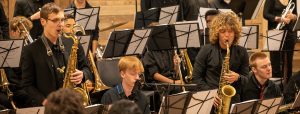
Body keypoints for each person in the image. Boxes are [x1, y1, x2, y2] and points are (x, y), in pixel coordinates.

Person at [21, 3, 91, 106]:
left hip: (72, 104)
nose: (60, 24)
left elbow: (87, 68)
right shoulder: (30, 50)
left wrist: (83, 75)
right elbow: (27, 85)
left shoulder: (72, 42)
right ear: (43, 21)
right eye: (55, 20)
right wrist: (45, 101)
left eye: (62, 20)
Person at [192, 12, 249, 104]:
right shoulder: (206, 50)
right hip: (210, 99)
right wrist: (209, 94)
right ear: (217, 32)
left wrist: (238, 77)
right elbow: (196, 77)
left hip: (232, 100)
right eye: (223, 31)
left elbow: (247, 80)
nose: (227, 35)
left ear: (235, 33)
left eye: (230, 31)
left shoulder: (242, 52)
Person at [263, 0, 297, 83]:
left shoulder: (292, 0)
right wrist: (279, 19)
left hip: (290, 34)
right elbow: (265, 14)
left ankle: (289, 89)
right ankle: (277, 89)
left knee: (289, 63)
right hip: (275, 33)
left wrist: (293, 16)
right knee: (275, 63)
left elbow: (296, 15)